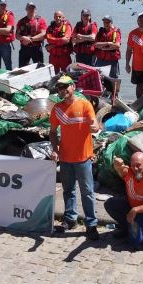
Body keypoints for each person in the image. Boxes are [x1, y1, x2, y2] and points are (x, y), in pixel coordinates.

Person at [49, 75, 102, 239]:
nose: (62, 90)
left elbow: (95, 125)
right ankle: (70, 219)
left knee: (87, 192)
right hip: (65, 158)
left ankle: (91, 224)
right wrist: (55, 149)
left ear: (73, 87)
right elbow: (52, 132)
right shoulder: (57, 109)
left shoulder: (85, 104)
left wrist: (95, 127)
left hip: (84, 158)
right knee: (68, 191)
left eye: (65, 86)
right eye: (59, 88)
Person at [105, 152, 143, 249]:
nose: (136, 169)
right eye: (133, 166)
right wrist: (116, 165)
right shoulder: (129, 173)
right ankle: (125, 228)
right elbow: (120, 169)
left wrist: (135, 210)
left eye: (138, 165)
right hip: (131, 206)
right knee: (110, 204)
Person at [16, 1, 48, 67]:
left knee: (39, 68)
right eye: (29, 8)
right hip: (24, 48)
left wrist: (30, 39)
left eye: (32, 8)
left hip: (36, 48)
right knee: (22, 68)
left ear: (35, 9)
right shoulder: (21, 21)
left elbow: (43, 33)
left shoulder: (41, 20)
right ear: (26, 9)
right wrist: (23, 38)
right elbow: (17, 35)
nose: (31, 10)